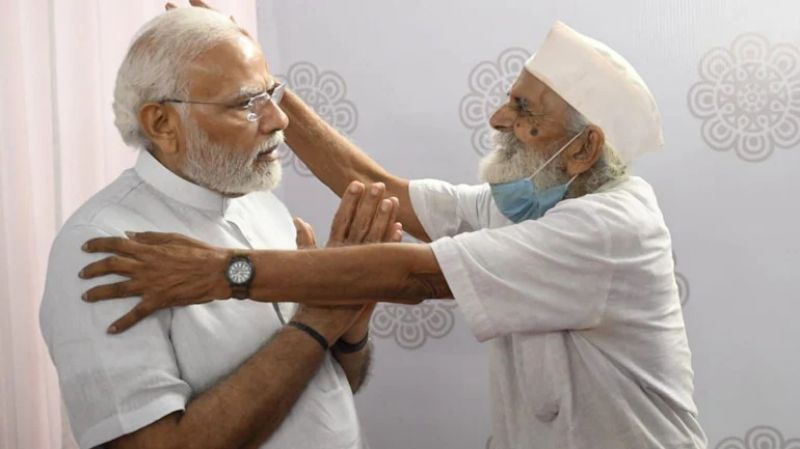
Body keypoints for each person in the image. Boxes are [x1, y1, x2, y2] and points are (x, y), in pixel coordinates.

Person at [79, 20, 708, 449]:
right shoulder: (530, 200)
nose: (498, 118)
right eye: (510, 98)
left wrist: (224, 272)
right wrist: (268, 93)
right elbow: (381, 189)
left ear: (584, 149)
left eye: (524, 111)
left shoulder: (610, 228)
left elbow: (413, 274)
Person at [39, 7, 402, 449]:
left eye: (271, 93)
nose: (279, 119)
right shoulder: (102, 245)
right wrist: (319, 319)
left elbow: (336, 381)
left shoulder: (259, 203)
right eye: (247, 103)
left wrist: (350, 324)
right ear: (162, 123)